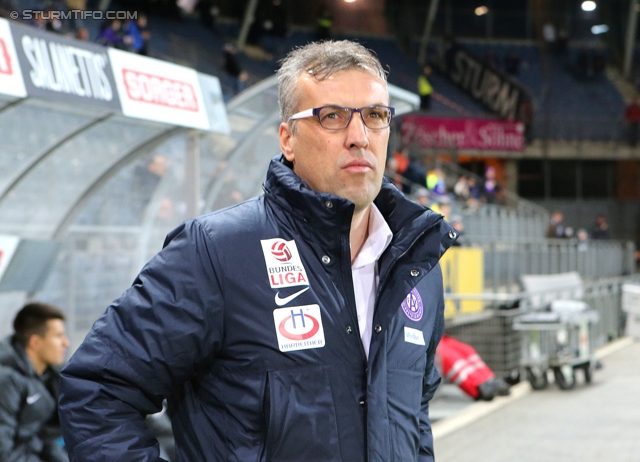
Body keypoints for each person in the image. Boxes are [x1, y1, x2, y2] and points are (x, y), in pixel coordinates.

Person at [58, 40, 458, 461]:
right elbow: (97, 391)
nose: (359, 137)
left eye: (375, 116)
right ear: (288, 138)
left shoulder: (416, 265)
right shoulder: (217, 253)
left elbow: (414, 418)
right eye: (333, 117)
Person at [0, 303, 70, 462]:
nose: (66, 343)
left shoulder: (51, 376)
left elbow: (43, 436)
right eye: (58, 336)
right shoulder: (6, 381)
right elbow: (3, 453)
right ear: (35, 342)